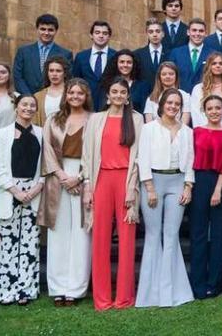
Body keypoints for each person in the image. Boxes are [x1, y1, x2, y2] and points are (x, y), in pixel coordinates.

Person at [82, 77, 144, 311]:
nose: (118, 95)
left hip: (126, 181)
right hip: (101, 180)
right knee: (100, 239)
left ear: (128, 96)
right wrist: (88, 186)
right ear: (108, 95)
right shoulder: (96, 119)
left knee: (127, 240)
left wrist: (132, 187)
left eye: (122, 92)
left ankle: (124, 298)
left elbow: (139, 155)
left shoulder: (136, 120)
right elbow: (87, 155)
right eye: (114, 92)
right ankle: (102, 298)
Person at [135, 89, 195, 308]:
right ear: (161, 105)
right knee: (153, 235)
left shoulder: (187, 131)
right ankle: (150, 295)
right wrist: (149, 188)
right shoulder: (149, 129)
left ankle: (171, 293)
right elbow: (143, 158)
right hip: (153, 183)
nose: (173, 106)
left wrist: (188, 186)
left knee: (171, 236)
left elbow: (190, 160)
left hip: (177, 182)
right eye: (169, 102)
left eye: (177, 103)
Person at [38, 79, 92, 306]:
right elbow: (48, 149)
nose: (76, 96)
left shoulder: (94, 120)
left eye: (80, 93)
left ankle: (76, 289)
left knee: (81, 235)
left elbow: (95, 152)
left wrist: (78, 177)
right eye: (72, 93)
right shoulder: (53, 119)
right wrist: (62, 177)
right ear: (66, 95)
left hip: (83, 175)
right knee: (58, 233)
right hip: (58, 177)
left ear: (86, 96)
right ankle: (58, 287)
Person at [0, 94, 44, 305]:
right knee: (9, 244)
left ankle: (26, 291)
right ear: (16, 107)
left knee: (30, 243)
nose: (28, 108)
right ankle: (5, 290)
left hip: (34, 191)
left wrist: (36, 188)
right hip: (9, 192)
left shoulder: (41, 133)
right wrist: (16, 191)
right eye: (24, 104)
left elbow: (46, 165)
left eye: (32, 105)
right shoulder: (2, 134)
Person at [188, 95, 222, 299]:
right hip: (199, 181)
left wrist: (218, 190)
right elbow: (190, 159)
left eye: (218, 108)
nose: (214, 111)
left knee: (218, 235)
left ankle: (214, 283)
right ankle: (197, 283)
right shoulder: (195, 132)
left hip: (219, 183)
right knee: (198, 234)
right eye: (210, 108)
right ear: (204, 110)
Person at [13, 13, 72, 95]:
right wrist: (30, 97)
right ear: (37, 29)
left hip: (53, 99)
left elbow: (67, 79)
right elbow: (18, 77)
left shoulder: (65, 54)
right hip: (28, 101)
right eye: (43, 29)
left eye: (50, 30)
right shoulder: (23, 51)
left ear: (56, 31)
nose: (46, 33)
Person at [190, 52, 222, 129]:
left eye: (221, 63)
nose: (218, 66)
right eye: (214, 63)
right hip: (204, 134)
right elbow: (196, 115)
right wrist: (207, 131)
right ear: (208, 66)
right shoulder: (198, 89)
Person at [72, 21, 116, 99]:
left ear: (109, 36)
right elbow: (75, 80)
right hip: (86, 102)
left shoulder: (116, 56)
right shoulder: (81, 57)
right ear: (91, 35)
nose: (101, 36)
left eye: (105, 33)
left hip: (109, 103)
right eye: (97, 32)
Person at [168, 18, 209, 93]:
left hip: (204, 97)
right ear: (188, 32)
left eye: (201, 31)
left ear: (206, 33)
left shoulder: (212, 54)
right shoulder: (176, 53)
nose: (197, 34)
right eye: (194, 30)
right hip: (180, 97)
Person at [33, 56, 71, 127]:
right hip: (44, 135)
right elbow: (34, 122)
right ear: (47, 73)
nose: (54, 74)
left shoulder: (72, 94)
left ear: (65, 73)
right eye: (51, 70)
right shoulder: (38, 96)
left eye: (58, 71)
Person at [133, 18, 168, 91]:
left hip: (165, 95)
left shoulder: (170, 54)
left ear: (163, 34)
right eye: (151, 32)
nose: (154, 34)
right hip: (143, 96)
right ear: (147, 34)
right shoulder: (137, 54)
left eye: (158, 31)